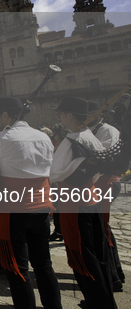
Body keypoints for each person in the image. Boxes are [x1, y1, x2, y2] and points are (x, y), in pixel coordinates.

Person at [0, 97, 62, 309]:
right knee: (44, 266)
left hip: (13, 211)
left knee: (18, 268)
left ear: (5, 115)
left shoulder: (2, 138)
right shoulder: (43, 137)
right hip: (42, 208)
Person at [50, 97, 117, 309]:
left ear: (70, 115)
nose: (59, 116)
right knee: (97, 253)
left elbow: (53, 172)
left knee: (83, 255)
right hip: (91, 198)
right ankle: (104, 300)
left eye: (61, 113)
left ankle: (97, 302)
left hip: (74, 203)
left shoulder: (72, 140)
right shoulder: (89, 136)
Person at [87, 100, 126, 289]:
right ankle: (115, 273)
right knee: (102, 230)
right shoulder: (93, 131)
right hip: (96, 184)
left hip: (104, 183)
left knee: (102, 230)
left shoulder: (107, 131)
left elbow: (100, 161)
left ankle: (113, 278)